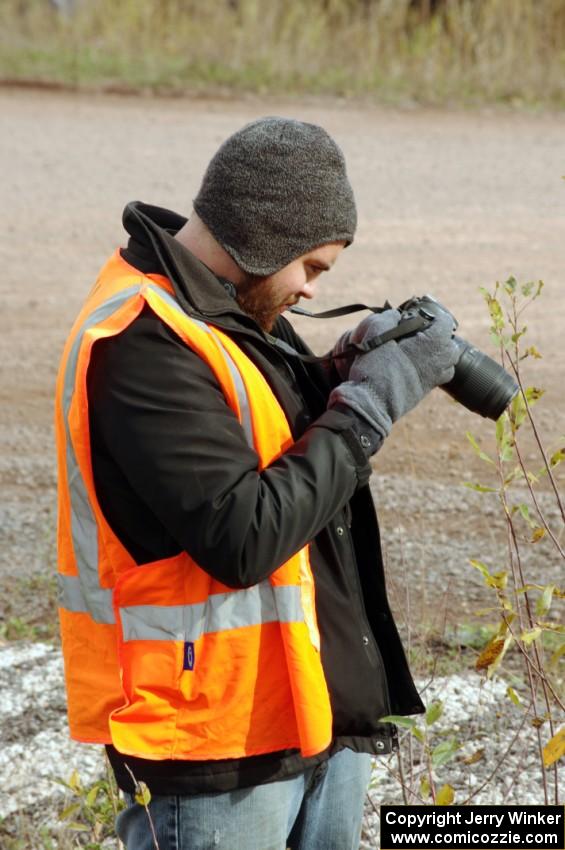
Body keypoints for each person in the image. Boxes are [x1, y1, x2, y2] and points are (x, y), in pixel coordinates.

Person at [55, 117, 460, 850]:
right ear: (262, 238)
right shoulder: (141, 342)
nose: (309, 291)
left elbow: (270, 439)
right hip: (213, 748)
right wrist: (370, 404)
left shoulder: (232, 310)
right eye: (311, 267)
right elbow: (241, 536)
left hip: (306, 714)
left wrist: (336, 371)